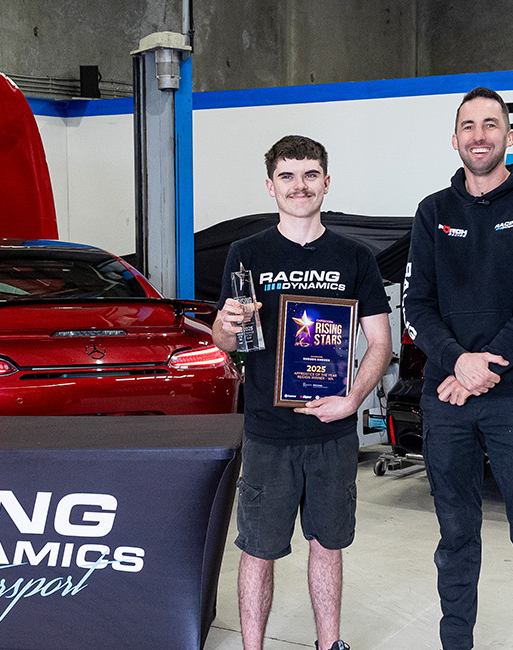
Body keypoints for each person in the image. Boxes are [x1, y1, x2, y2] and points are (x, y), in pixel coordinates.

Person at [402, 87, 513, 650]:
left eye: (491, 124)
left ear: (510, 136)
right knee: (455, 538)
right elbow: (416, 306)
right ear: (455, 140)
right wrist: (459, 363)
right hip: (446, 400)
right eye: (469, 126)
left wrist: (484, 368)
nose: (479, 135)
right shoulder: (432, 212)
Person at [213, 135, 392, 650]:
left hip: (332, 430)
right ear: (271, 186)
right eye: (287, 176)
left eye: (310, 174)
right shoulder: (247, 254)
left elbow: (379, 343)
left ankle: (328, 644)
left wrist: (353, 400)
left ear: (326, 182)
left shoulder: (355, 257)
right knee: (258, 550)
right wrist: (226, 323)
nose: (300, 185)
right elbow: (228, 341)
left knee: (328, 544)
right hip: (269, 431)